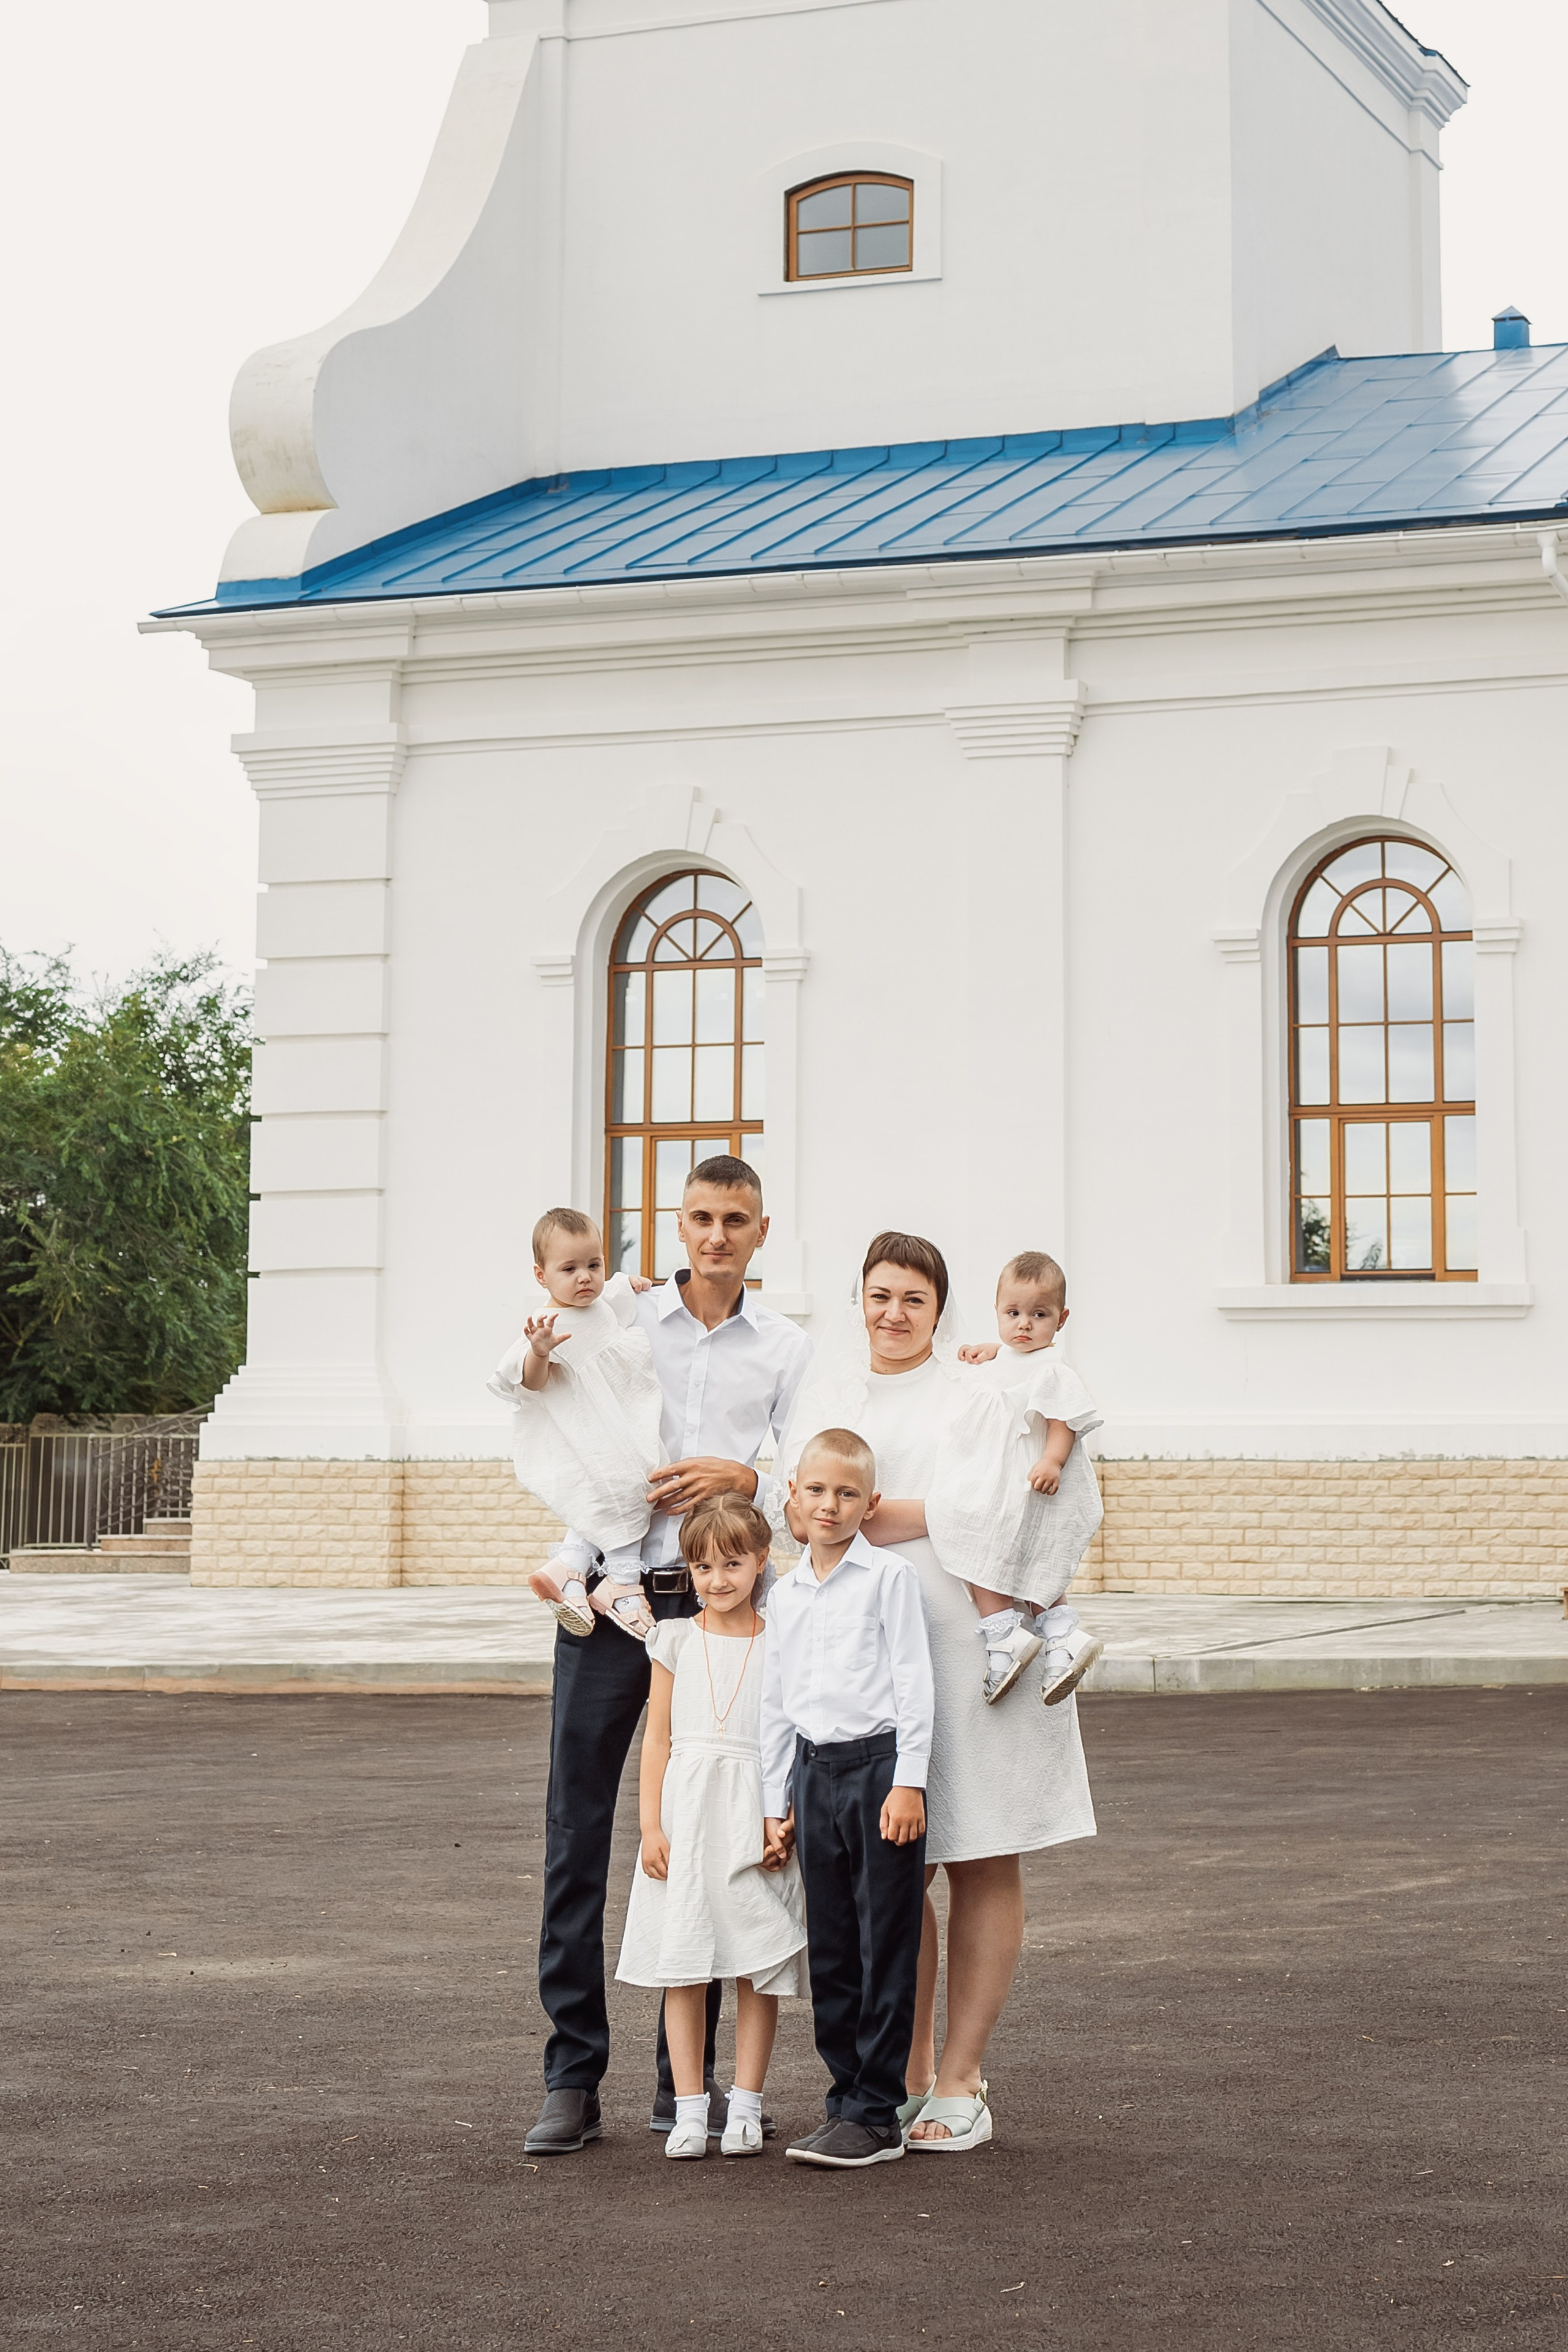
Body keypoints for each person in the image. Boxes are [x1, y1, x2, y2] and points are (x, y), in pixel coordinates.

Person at [523, 1156, 812, 2159]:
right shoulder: (627, 1312)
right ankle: (571, 2079)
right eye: (700, 1218)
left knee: (709, 1830)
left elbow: (814, 1480)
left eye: (736, 1219)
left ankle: (678, 2086)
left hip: (719, 1603)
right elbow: (553, 1392)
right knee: (577, 1831)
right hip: (618, 1597)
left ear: (762, 1231)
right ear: (677, 1226)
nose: (716, 1235)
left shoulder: (786, 1346)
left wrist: (748, 1478)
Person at [782, 1234, 1095, 2151]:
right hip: (866, 1663)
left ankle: (962, 2078)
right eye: (880, 1295)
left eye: (914, 1299)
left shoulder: (979, 1387)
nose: (894, 1313)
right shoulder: (829, 1397)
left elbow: (1027, 1494)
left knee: (982, 1851)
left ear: (939, 1311)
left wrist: (903, 1514)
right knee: (897, 1868)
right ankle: (906, 2074)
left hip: (975, 1645)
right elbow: (795, 1504)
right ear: (859, 1300)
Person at [761, 1428, 935, 2170]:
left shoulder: (889, 1578)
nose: (828, 1505)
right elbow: (775, 1700)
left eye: (846, 1493)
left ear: (870, 1504)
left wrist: (909, 1781)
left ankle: (877, 2112)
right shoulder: (785, 1592)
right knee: (830, 1945)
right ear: (793, 1495)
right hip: (812, 1775)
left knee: (883, 1938)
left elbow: (914, 1681)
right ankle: (844, 2100)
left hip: (878, 1772)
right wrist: (774, 1802)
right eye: (816, 1490)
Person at [616, 1491, 806, 2160]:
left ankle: (747, 2107)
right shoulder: (673, 1639)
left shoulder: (783, 1640)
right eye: (703, 1567)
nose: (717, 1580)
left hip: (755, 1813)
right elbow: (658, 1739)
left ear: (761, 1561)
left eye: (732, 1564)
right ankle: (691, 2111)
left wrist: (784, 1819)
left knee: (758, 1959)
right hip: (688, 1816)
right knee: (686, 1963)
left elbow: (794, 1738)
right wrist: (650, 1827)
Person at [933, 1248, 1107, 1705]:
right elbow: (1012, 1362)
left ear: (1061, 1320)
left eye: (1039, 1315)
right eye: (1013, 1314)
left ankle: (1010, 1637)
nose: (1024, 1325)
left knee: (1002, 1548)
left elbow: (1063, 1421)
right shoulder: (1009, 1357)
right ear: (996, 1311)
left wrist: (1053, 1461)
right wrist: (991, 1350)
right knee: (1001, 1551)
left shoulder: (1053, 1370)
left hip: (1025, 1479)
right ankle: (1059, 1638)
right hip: (999, 1478)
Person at [489, 1208, 662, 1642]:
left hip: (619, 1424)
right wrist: (540, 1351)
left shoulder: (601, 1304)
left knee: (633, 1487)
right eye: (569, 1269)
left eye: (594, 1265)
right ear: (541, 1275)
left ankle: (569, 1567)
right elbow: (530, 1382)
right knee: (625, 1493)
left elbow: (620, 1294)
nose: (585, 1277)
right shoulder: (545, 1326)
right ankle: (622, 1583)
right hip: (587, 1431)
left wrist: (632, 1282)